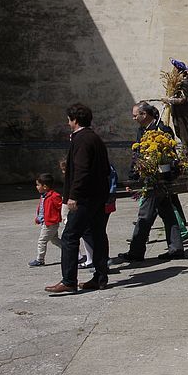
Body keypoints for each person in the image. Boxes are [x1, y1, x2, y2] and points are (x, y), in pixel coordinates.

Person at [45, 104, 110, 293]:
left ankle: (69, 281)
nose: (68, 123)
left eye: (69, 119)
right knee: (98, 235)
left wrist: (73, 195)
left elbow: (81, 170)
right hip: (98, 195)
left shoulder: (82, 139)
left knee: (70, 236)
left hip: (85, 197)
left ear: (75, 120)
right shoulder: (94, 138)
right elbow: (105, 168)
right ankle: (100, 277)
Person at [115, 102, 185, 263]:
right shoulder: (142, 131)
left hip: (157, 180)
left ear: (144, 114)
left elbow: (170, 155)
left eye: (135, 115)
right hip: (148, 178)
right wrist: (133, 177)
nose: (133, 118)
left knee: (144, 216)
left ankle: (136, 252)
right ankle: (176, 249)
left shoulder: (162, 129)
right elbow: (137, 156)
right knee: (167, 213)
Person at [161, 58, 188, 150]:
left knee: (185, 134)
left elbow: (184, 99)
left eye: (174, 68)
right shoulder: (178, 81)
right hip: (177, 113)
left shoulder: (184, 81)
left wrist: (170, 100)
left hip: (184, 115)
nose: (173, 70)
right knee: (179, 132)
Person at [28, 173, 62, 267]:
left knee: (42, 241)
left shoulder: (54, 196)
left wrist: (60, 217)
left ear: (45, 186)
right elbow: (42, 208)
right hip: (46, 222)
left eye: (38, 185)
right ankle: (71, 251)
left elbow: (60, 207)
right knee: (55, 240)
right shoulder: (43, 196)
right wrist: (38, 218)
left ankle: (40, 260)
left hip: (50, 223)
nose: (36, 187)